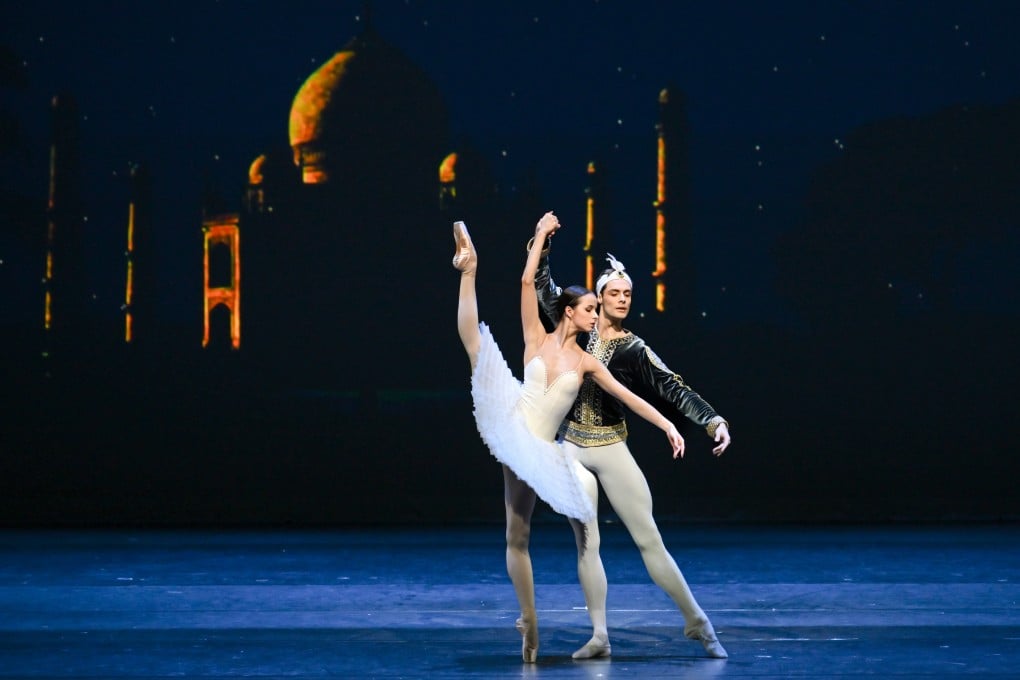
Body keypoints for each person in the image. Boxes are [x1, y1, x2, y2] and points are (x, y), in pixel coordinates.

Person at [452, 212, 687, 663]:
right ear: (569, 312)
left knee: (523, 537)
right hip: (512, 422)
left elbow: (629, 397)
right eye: (591, 308)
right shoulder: (536, 339)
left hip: (539, 449)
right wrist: (540, 235)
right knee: (476, 347)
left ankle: (546, 627)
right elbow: (526, 283)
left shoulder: (587, 363)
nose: (597, 313)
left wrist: (668, 424)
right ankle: (470, 270)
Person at [533, 239, 732, 660]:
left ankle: (697, 621)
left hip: (610, 445)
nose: (623, 300)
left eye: (628, 295)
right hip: (570, 447)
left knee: (649, 540)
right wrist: (544, 246)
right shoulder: (574, 327)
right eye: (615, 294)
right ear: (598, 299)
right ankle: (600, 635)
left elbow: (672, 386)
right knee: (588, 540)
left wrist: (712, 420)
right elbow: (542, 284)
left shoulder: (633, 348)